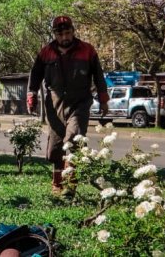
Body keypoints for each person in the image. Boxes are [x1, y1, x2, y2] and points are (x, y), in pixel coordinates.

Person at [26, 15, 109, 194]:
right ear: (55, 34)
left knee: (73, 139)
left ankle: (70, 186)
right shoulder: (46, 52)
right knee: (56, 145)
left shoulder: (87, 50)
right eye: (60, 34)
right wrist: (31, 96)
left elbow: (99, 76)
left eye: (68, 33)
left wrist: (103, 100)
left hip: (80, 102)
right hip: (54, 105)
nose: (65, 37)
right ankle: (57, 184)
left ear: (73, 31)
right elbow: (35, 75)